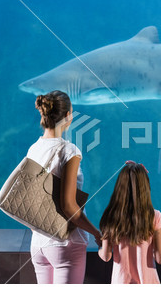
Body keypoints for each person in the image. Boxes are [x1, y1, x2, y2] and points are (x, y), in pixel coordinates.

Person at [27, 90, 102, 284]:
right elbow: (68, 206)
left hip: (38, 243)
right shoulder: (69, 151)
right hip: (65, 243)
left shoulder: (33, 149)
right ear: (68, 115)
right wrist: (96, 233)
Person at [98, 161, 161, 284]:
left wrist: (100, 246)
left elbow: (105, 256)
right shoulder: (155, 216)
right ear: (145, 187)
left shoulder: (110, 216)